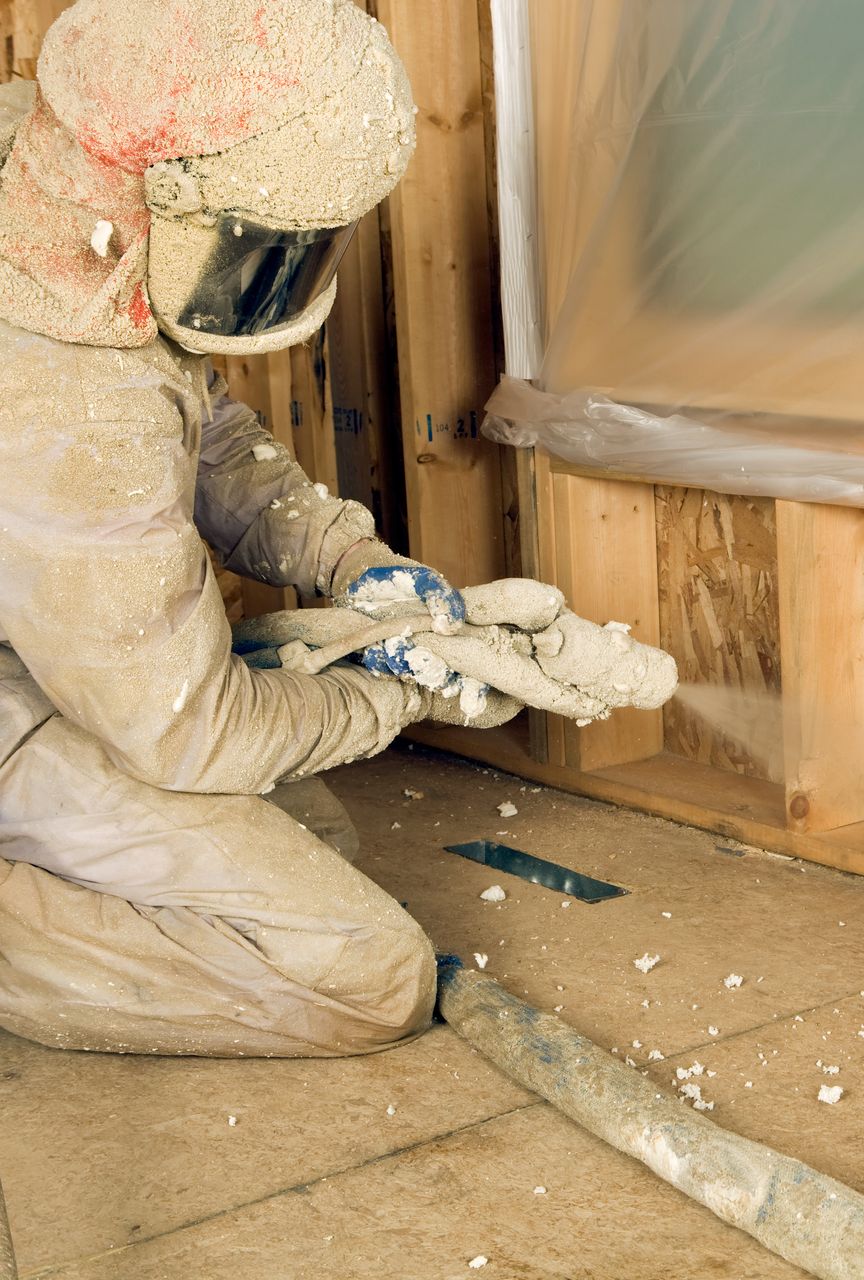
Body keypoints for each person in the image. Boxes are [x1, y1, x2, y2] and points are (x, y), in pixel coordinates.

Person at [0, 0, 516, 1057]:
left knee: (316, 830)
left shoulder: (67, 193)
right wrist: (403, 692)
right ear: (178, 198)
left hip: (34, 644)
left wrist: (351, 560)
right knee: (369, 975)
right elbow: (195, 731)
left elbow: (200, 438)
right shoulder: (56, 399)